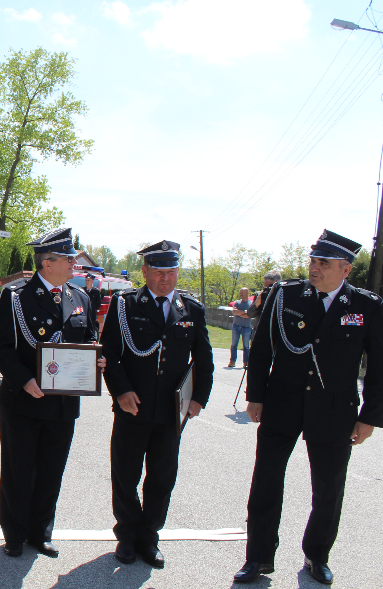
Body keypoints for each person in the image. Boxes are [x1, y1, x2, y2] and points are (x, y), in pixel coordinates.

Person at [234, 230, 382, 586]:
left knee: (329, 490)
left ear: (345, 269)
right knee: (266, 483)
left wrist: (370, 417)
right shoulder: (285, 296)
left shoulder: (367, 307)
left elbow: (379, 366)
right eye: (313, 260)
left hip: (334, 410)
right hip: (282, 405)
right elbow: (263, 349)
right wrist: (256, 395)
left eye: (323, 263)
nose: (314, 267)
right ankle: (257, 558)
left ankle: (317, 556)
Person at [0, 227, 103, 558]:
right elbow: (0, 347)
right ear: (47, 263)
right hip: (23, 400)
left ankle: (41, 532)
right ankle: (14, 533)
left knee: (52, 469)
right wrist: (24, 379)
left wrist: (97, 357)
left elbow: (89, 341)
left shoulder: (80, 298)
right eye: (69, 259)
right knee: (18, 469)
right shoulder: (17, 296)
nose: (74, 265)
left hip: (64, 403)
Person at [100, 240, 214, 569]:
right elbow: (110, 352)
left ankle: (149, 537)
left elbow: (203, 359)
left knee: (162, 476)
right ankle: (127, 534)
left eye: (172, 271)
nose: (166, 278)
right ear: (145, 271)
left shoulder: (190, 308)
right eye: (159, 271)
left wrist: (198, 399)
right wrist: (120, 391)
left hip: (171, 411)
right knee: (125, 475)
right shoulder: (126, 305)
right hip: (132, 407)